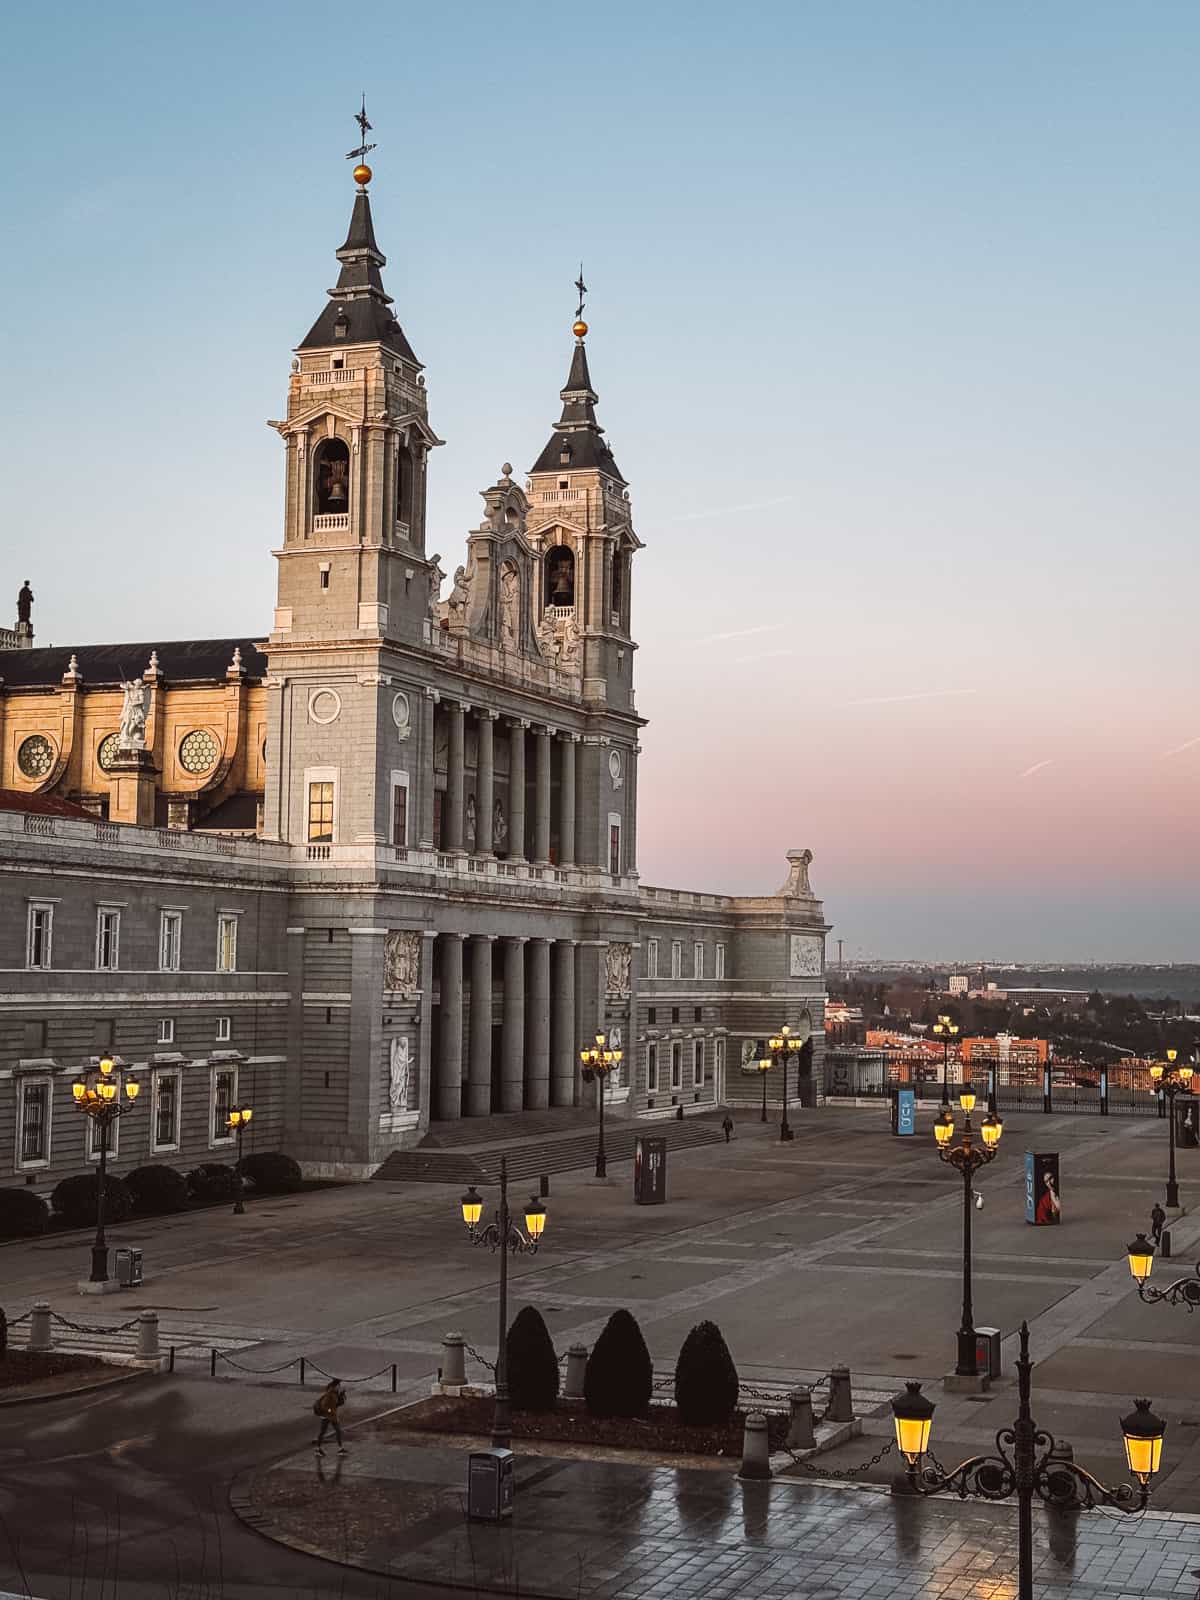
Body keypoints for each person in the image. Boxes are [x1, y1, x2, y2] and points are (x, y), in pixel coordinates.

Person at [313, 1377, 347, 1455]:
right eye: (339, 1385)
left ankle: (340, 1448)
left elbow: (337, 1404)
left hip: (332, 1416)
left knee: (337, 1431)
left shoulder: (335, 1393)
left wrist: (342, 1396)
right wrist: (330, 1411)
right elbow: (323, 1406)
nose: (340, 1387)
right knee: (324, 1432)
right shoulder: (329, 1394)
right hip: (327, 1416)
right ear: (335, 1386)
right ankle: (318, 1449)